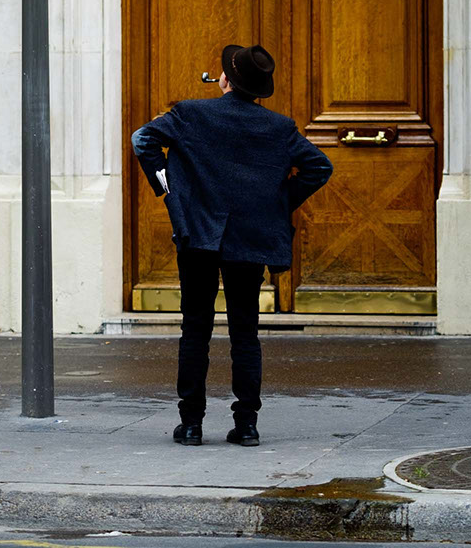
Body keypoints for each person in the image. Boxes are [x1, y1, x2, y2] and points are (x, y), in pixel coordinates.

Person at [131, 44, 333, 447]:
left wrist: (168, 189)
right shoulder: (279, 127)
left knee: (195, 328)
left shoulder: (191, 113)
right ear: (259, 89)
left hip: (198, 235)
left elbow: (142, 140)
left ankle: (191, 424)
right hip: (250, 237)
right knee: (245, 331)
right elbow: (319, 166)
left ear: (224, 78)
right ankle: (247, 425)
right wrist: (276, 203)